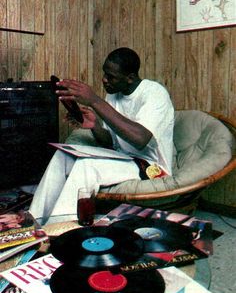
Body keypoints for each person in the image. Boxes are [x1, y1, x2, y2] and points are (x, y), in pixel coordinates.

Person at [29, 47, 174, 220]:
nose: (105, 80)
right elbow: (111, 142)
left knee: (86, 166)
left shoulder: (154, 93)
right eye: (104, 73)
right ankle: (34, 220)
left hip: (150, 166)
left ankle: (59, 228)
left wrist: (95, 101)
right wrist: (95, 125)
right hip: (124, 158)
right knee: (64, 155)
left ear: (130, 78)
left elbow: (140, 139)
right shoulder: (113, 96)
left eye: (111, 77)